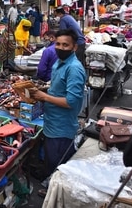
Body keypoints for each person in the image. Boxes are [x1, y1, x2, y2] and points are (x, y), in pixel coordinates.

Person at [31, 29, 86, 197]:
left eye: (65, 45)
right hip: (51, 121)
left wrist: (44, 96)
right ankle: (51, 181)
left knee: (58, 161)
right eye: (58, 44)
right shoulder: (59, 63)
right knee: (52, 157)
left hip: (62, 126)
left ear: (74, 47)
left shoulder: (74, 69)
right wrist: (45, 89)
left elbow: (71, 101)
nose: (60, 47)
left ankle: (53, 191)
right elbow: (57, 85)